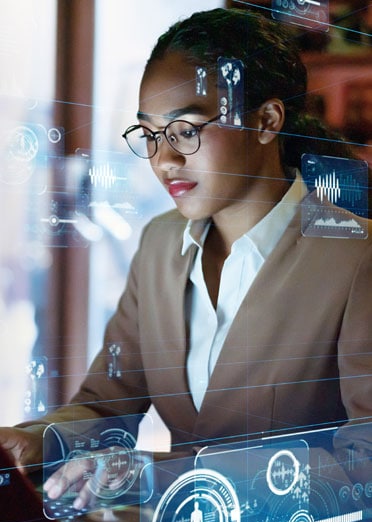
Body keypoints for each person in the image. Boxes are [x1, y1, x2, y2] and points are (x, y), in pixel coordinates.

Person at [1, 8, 372, 494]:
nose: (164, 160)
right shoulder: (160, 244)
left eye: (187, 130)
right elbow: (106, 403)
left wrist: (165, 476)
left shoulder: (355, 258)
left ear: (266, 120)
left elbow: (364, 463)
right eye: (151, 135)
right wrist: (33, 442)